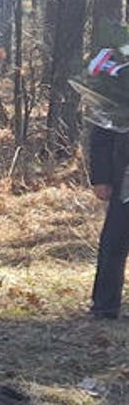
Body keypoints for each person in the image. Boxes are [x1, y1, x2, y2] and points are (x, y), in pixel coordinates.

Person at [88, 122, 129, 318]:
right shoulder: (119, 92)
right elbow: (103, 128)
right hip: (126, 176)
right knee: (114, 241)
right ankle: (105, 306)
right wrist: (101, 177)